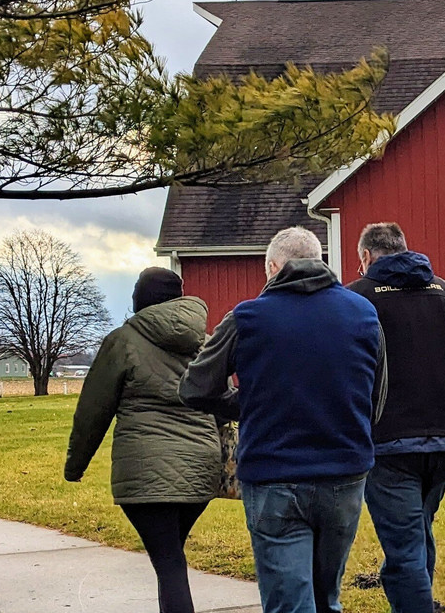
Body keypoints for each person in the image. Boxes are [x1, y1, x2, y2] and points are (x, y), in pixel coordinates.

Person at [179, 226, 386, 613]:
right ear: (320, 261)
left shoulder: (247, 318)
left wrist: (245, 404)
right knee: (327, 598)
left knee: (289, 603)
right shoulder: (363, 314)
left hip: (273, 472)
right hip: (344, 472)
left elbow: (194, 387)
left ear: (273, 267)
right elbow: (376, 397)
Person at [348, 222, 445, 613]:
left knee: (403, 550)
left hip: (388, 442)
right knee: (417, 530)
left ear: (366, 256)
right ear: (403, 248)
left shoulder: (356, 299)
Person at [65, 267, 219, 613]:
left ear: (142, 298)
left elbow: (93, 410)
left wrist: (75, 466)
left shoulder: (122, 341)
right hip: (200, 469)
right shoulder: (206, 343)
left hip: (145, 473)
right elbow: (223, 401)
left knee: (169, 562)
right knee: (170, 558)